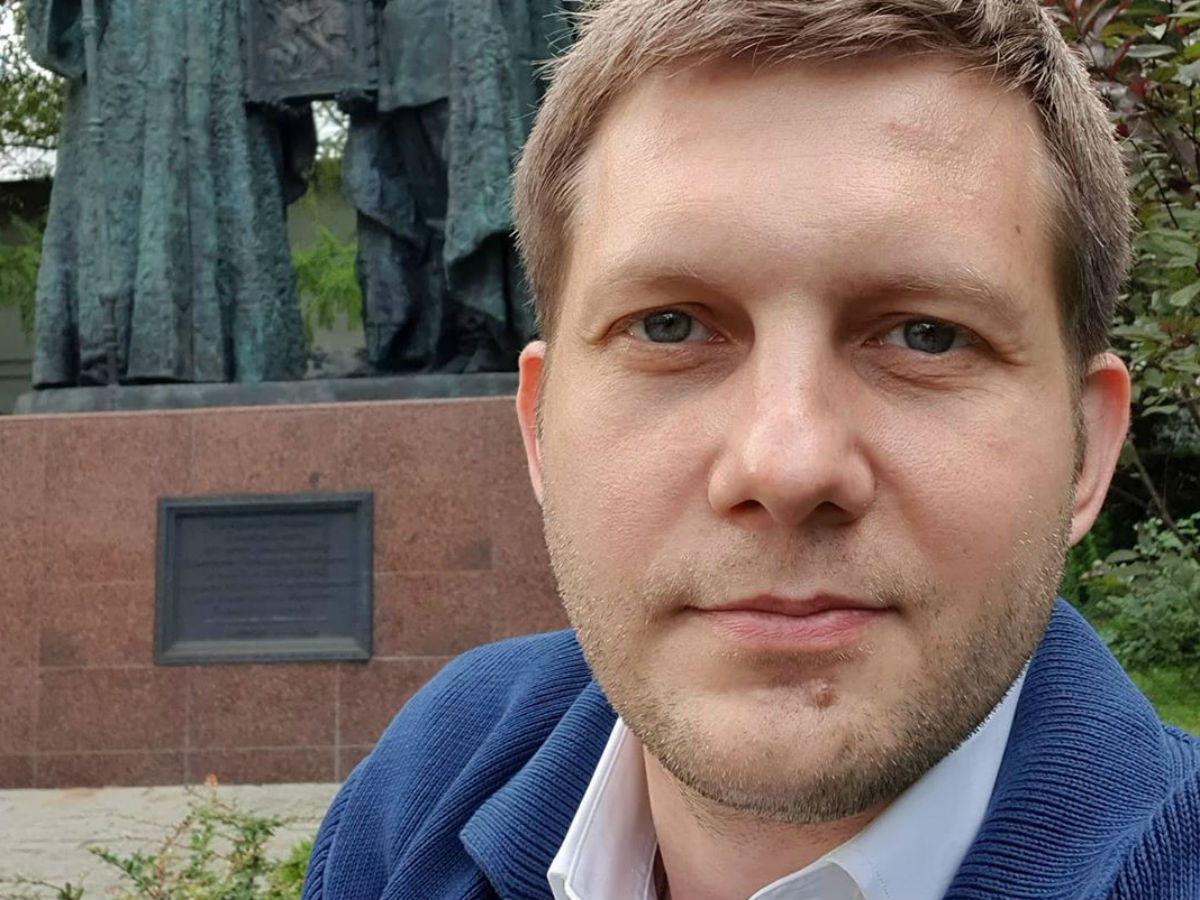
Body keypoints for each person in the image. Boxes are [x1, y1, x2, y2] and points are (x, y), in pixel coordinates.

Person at [302, 1, 1200, 898]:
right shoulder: (430, 783)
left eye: (926, 336)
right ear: (540, 427)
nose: (786, 466)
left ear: (1087, 450)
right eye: (669, 325)